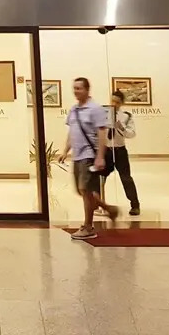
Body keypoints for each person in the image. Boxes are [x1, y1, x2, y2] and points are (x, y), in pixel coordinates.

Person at [57, 77, 119, 239]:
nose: (76, 91)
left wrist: (100, 157)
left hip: (89, 155)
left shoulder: (95, 109)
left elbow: (102, 133)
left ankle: (88, 226)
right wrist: (65, 151)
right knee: (82, 190)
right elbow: (72, 132)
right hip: (77, 156)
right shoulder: (74, 110)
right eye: (74, 88)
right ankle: (109, 209)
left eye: (79, 88)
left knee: (85, 190)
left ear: (87, 89)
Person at [109, 89, 141, 216]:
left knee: (126, 178)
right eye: (112, 101)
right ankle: (98, 204)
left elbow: (132, 134)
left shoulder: (126, 116)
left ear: (121, 103)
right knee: (98, 179)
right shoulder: (103, 114)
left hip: (119, 150)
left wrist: (121, 128)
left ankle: (135, 205)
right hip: (106, 150)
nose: (114, 104)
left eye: (117, 102)